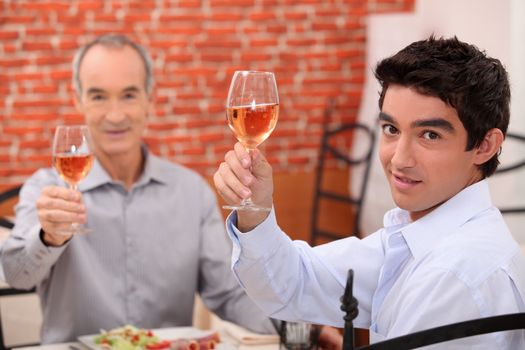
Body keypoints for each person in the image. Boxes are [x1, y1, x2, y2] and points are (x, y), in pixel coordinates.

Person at [213, 36, 525, 349]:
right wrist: (256, 208)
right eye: (391, 129)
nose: (399, 159)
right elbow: (291, 283)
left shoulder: (456, 275)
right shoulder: (416, 238)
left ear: (485, 146)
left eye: (429, 135)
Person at [0, 34, 277, 344]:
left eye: (129, 95)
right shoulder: (46, 187)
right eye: (98, 96)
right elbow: (17, 275)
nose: (115, 114)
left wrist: (308, 324)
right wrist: (48, 238)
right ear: (78, 100)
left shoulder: (191, 192)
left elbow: (229, 293)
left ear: (149, 98)